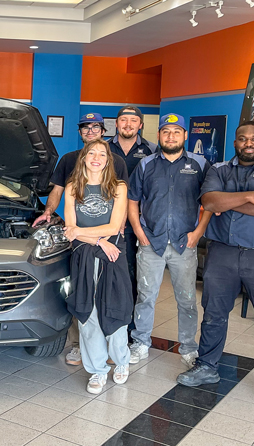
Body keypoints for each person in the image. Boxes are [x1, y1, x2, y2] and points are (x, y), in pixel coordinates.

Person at [177, 121, 254, 415]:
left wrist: (227, 202)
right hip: (222, 253)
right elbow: (208, 201)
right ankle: (207, 366)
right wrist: (250, 195)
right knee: (214, 314)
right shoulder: (218, 169)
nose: (248, 143)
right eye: (242, 139)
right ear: (235, 143)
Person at [32, 112, 129, 367]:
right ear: (80, 133)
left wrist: (108, 235)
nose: (90, 131)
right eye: (85, 127)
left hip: (110, 242)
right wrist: (48, 213)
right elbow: (58, 191)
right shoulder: (69, 162)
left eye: (95, 127)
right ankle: (79, 346)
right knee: (81, 296)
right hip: (84, 245)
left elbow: (118, 212)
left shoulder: (117, 162)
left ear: (103, 131)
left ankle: (114, 351)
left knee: (111, 297)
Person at [127, 113, 212, 368]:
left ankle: (188, 347)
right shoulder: (146, 165)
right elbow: (132, 201)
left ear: (185, 135)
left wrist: (198, 233)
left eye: (176, 131)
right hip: (150, 241)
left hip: (184, 244)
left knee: (186, 299)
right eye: (166, 132)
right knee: (145, 296)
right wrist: (139, 233)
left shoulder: (199, 164)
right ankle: (140, 343)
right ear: (159, 135)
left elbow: (210, 201)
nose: (171, 136)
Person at [63, 139, 133, 395]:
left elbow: (114, 227)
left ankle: (121, 362)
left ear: (107, 160)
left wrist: (92, 236)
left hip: (112, 255)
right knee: (87, 312)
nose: (96, 157)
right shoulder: (73, 187)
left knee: (115, 307)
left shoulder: (118, 187)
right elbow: (70, 231)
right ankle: (97, 370)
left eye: (101, 154)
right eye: (91, 153)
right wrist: (99, 241)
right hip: (85, 255)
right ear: (83, 158)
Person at [108, 106, 158, 334]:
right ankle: (107, 323)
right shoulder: (103, 149)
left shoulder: (152, 151)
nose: (128, 124)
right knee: (108, 275)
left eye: (133, 120)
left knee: (136, 277)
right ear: (116, 124)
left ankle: (130, 329)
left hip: (139, 225)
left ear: (141, 125)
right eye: (123, 120)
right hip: (106, 223)